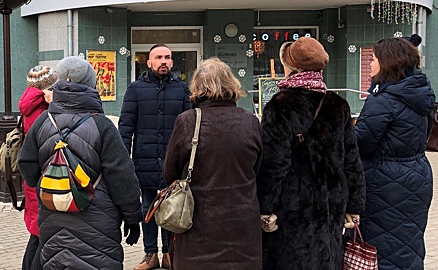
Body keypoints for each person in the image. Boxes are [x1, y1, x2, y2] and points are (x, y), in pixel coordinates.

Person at [18, 56, 142, 270]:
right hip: (98, 224)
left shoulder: (43, 122)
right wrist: (132, 218)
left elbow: (26, 166)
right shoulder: (102, 125)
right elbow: (122, 177)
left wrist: (55, 180)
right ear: (91, 84)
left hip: (53, 217)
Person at [257, 36, 366, 270]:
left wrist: (265, 207)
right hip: (332, 201)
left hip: (293, 203)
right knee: (327, 257)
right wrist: (354, 205)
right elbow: (351, 159)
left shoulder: (280, 105)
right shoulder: (338, 104)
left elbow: (273, 164)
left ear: (292, 67)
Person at [162, 57, 262, 269]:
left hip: (198, 226)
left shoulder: (187, 121)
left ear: (198, 86)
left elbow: (169, 173)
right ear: (231, 84)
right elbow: (259, 169)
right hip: (243, 225)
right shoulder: (250, 121)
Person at [354, 37, 435, 269]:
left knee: (382, 248)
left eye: (374, 59)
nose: (370, 64)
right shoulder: (421, 95)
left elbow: (362, 144)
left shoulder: (383, 101)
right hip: (417, 175)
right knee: (408, 245)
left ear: (387, 63)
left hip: (384, 182)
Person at [118, 44, 191, 270]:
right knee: (148, 207)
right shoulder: (136, 89)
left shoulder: (182, 89)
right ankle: (151, 254)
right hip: (146, 159)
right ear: (148, 62)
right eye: (158, 57)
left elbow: (190, 127)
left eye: (168, 57)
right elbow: (125, 127)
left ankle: (170, 253)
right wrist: (124, 161)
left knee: (172, 207)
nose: (164, 61)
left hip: (173, 161)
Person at [17, 65, 58, 270]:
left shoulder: (29, 104)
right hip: (43, 177)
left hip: (32, 180)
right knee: (41, 235)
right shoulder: (42, 109)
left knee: (37, 233)